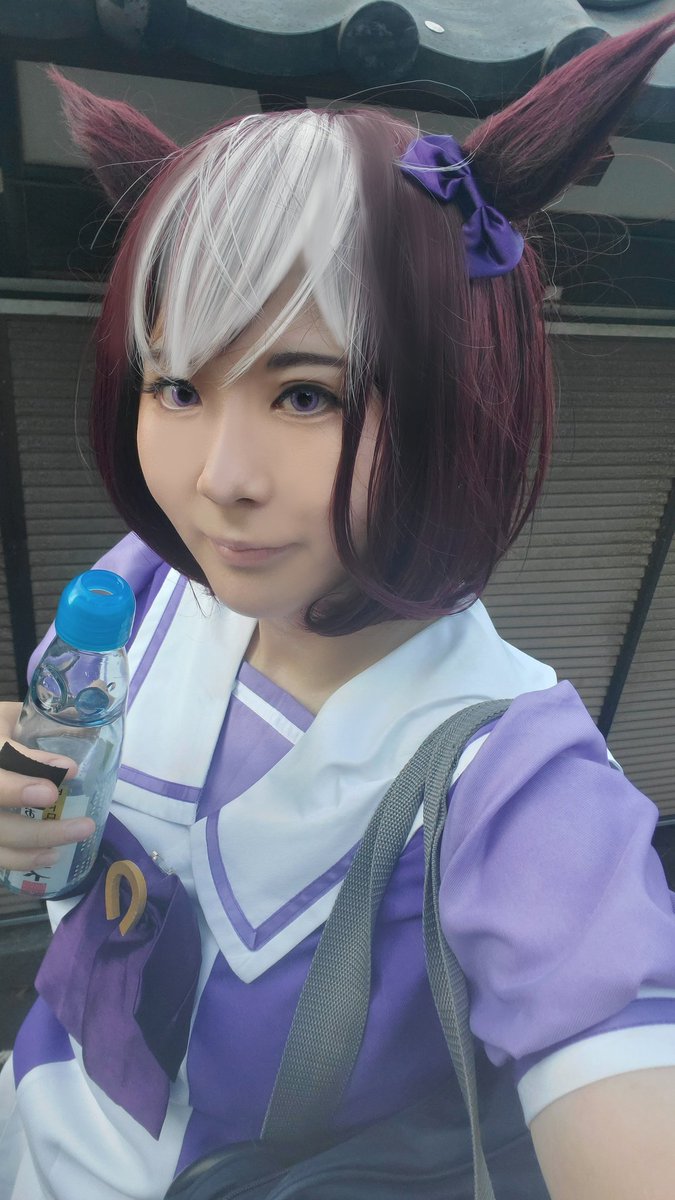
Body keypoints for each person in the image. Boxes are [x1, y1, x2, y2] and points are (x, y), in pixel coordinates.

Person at [1, 13, 675, 1200]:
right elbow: (58, 791)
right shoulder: (147, 583)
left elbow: (620, 1070)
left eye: (307, 395)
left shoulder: (514, 784)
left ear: (461, 396)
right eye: (178, 384)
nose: (219, 481)